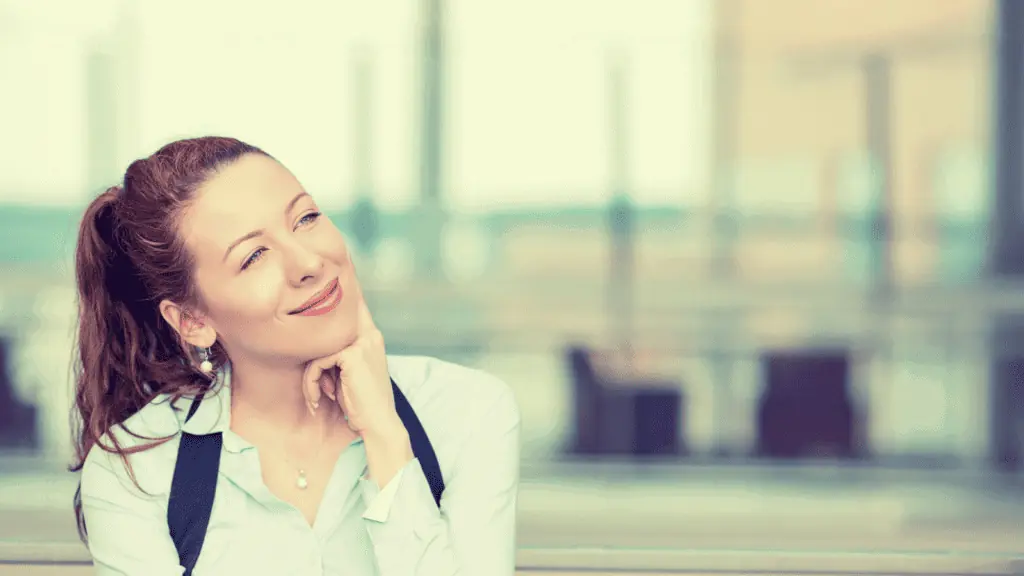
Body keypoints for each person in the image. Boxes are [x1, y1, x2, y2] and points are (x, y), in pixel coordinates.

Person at [70, 136, 521, 575]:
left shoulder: (468, 413)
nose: (308, 262)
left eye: (305, 219)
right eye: (254, 256)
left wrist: (385, 436)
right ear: (192, 320)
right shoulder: (135, 470)